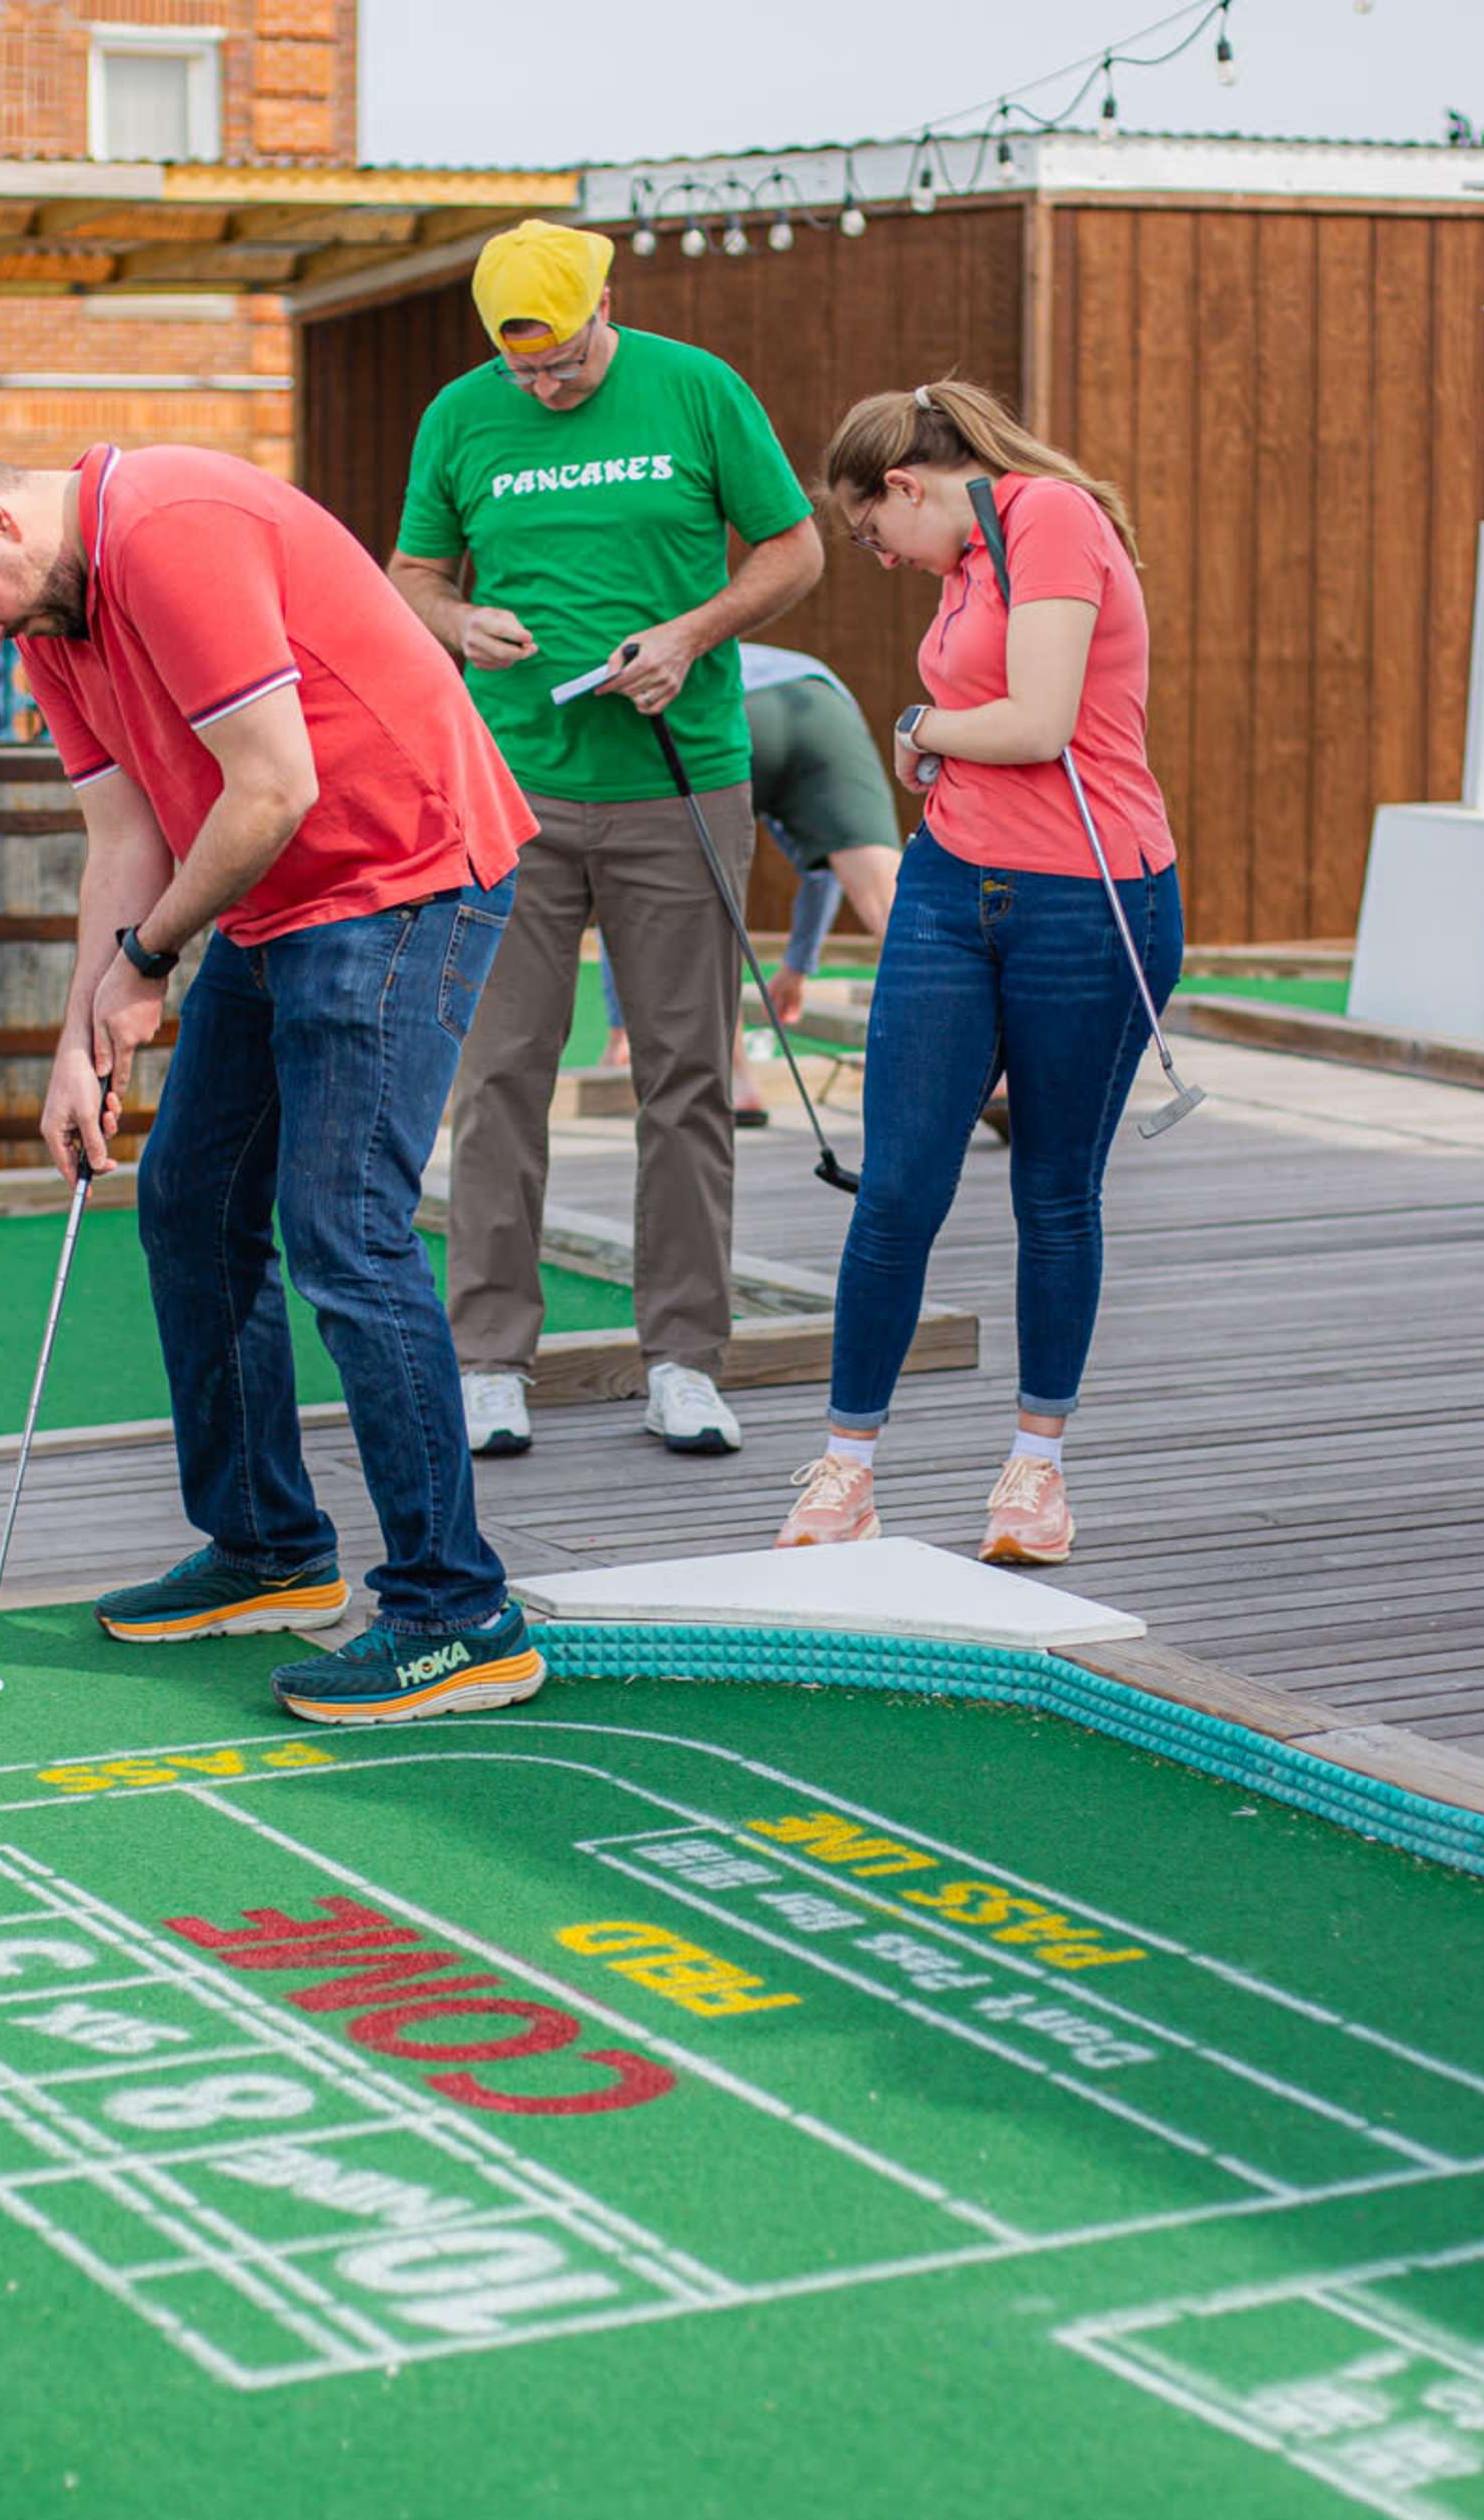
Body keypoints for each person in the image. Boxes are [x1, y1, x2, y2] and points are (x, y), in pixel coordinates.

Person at [0, 443, 547, 1728]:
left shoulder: (168, 527)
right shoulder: (53, 623)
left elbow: (275, 785)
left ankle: (458, 1615)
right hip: (284, 899)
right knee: (188, 1202)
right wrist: (78, 1040)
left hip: (402, 876)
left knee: (347, 1231)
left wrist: (149, 960)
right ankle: (268, 1550)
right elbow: (124, 835)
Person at [385, 220, 823, 1464]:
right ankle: (488, 1364)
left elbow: (794, 549)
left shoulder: (698, 389)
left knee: (686, 1076)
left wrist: (691, 633)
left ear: (604, 307)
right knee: (499, 1076)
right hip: (510, 790)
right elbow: (411, 575)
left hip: (679, 784)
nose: (544, 386)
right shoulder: (461, 414)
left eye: (564, 362)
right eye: (522, 367)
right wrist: (459, 622)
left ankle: (683, 1360)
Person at [776, 382, 1179, 1569]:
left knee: (1053, 1191)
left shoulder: (1048, 516)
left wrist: (918, 729)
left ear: (906, 484)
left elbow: (1039, 723)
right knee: (898, 1187)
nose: (882, 558)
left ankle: (1035, 1478)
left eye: (873, 533)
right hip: (951, 890)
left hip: (1090, 899)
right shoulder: (964, 561)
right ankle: (846, 1471)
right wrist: (936, 740)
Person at [598, 640, 902, 1116]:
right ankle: (992, 1069)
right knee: (892, 902)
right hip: (821, 702)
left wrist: (621, 1028)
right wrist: (798, 964)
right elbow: (822, 865)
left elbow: (623, 888)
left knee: (698, 905)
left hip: (728, 706)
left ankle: (738, 1085)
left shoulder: (634, 680)